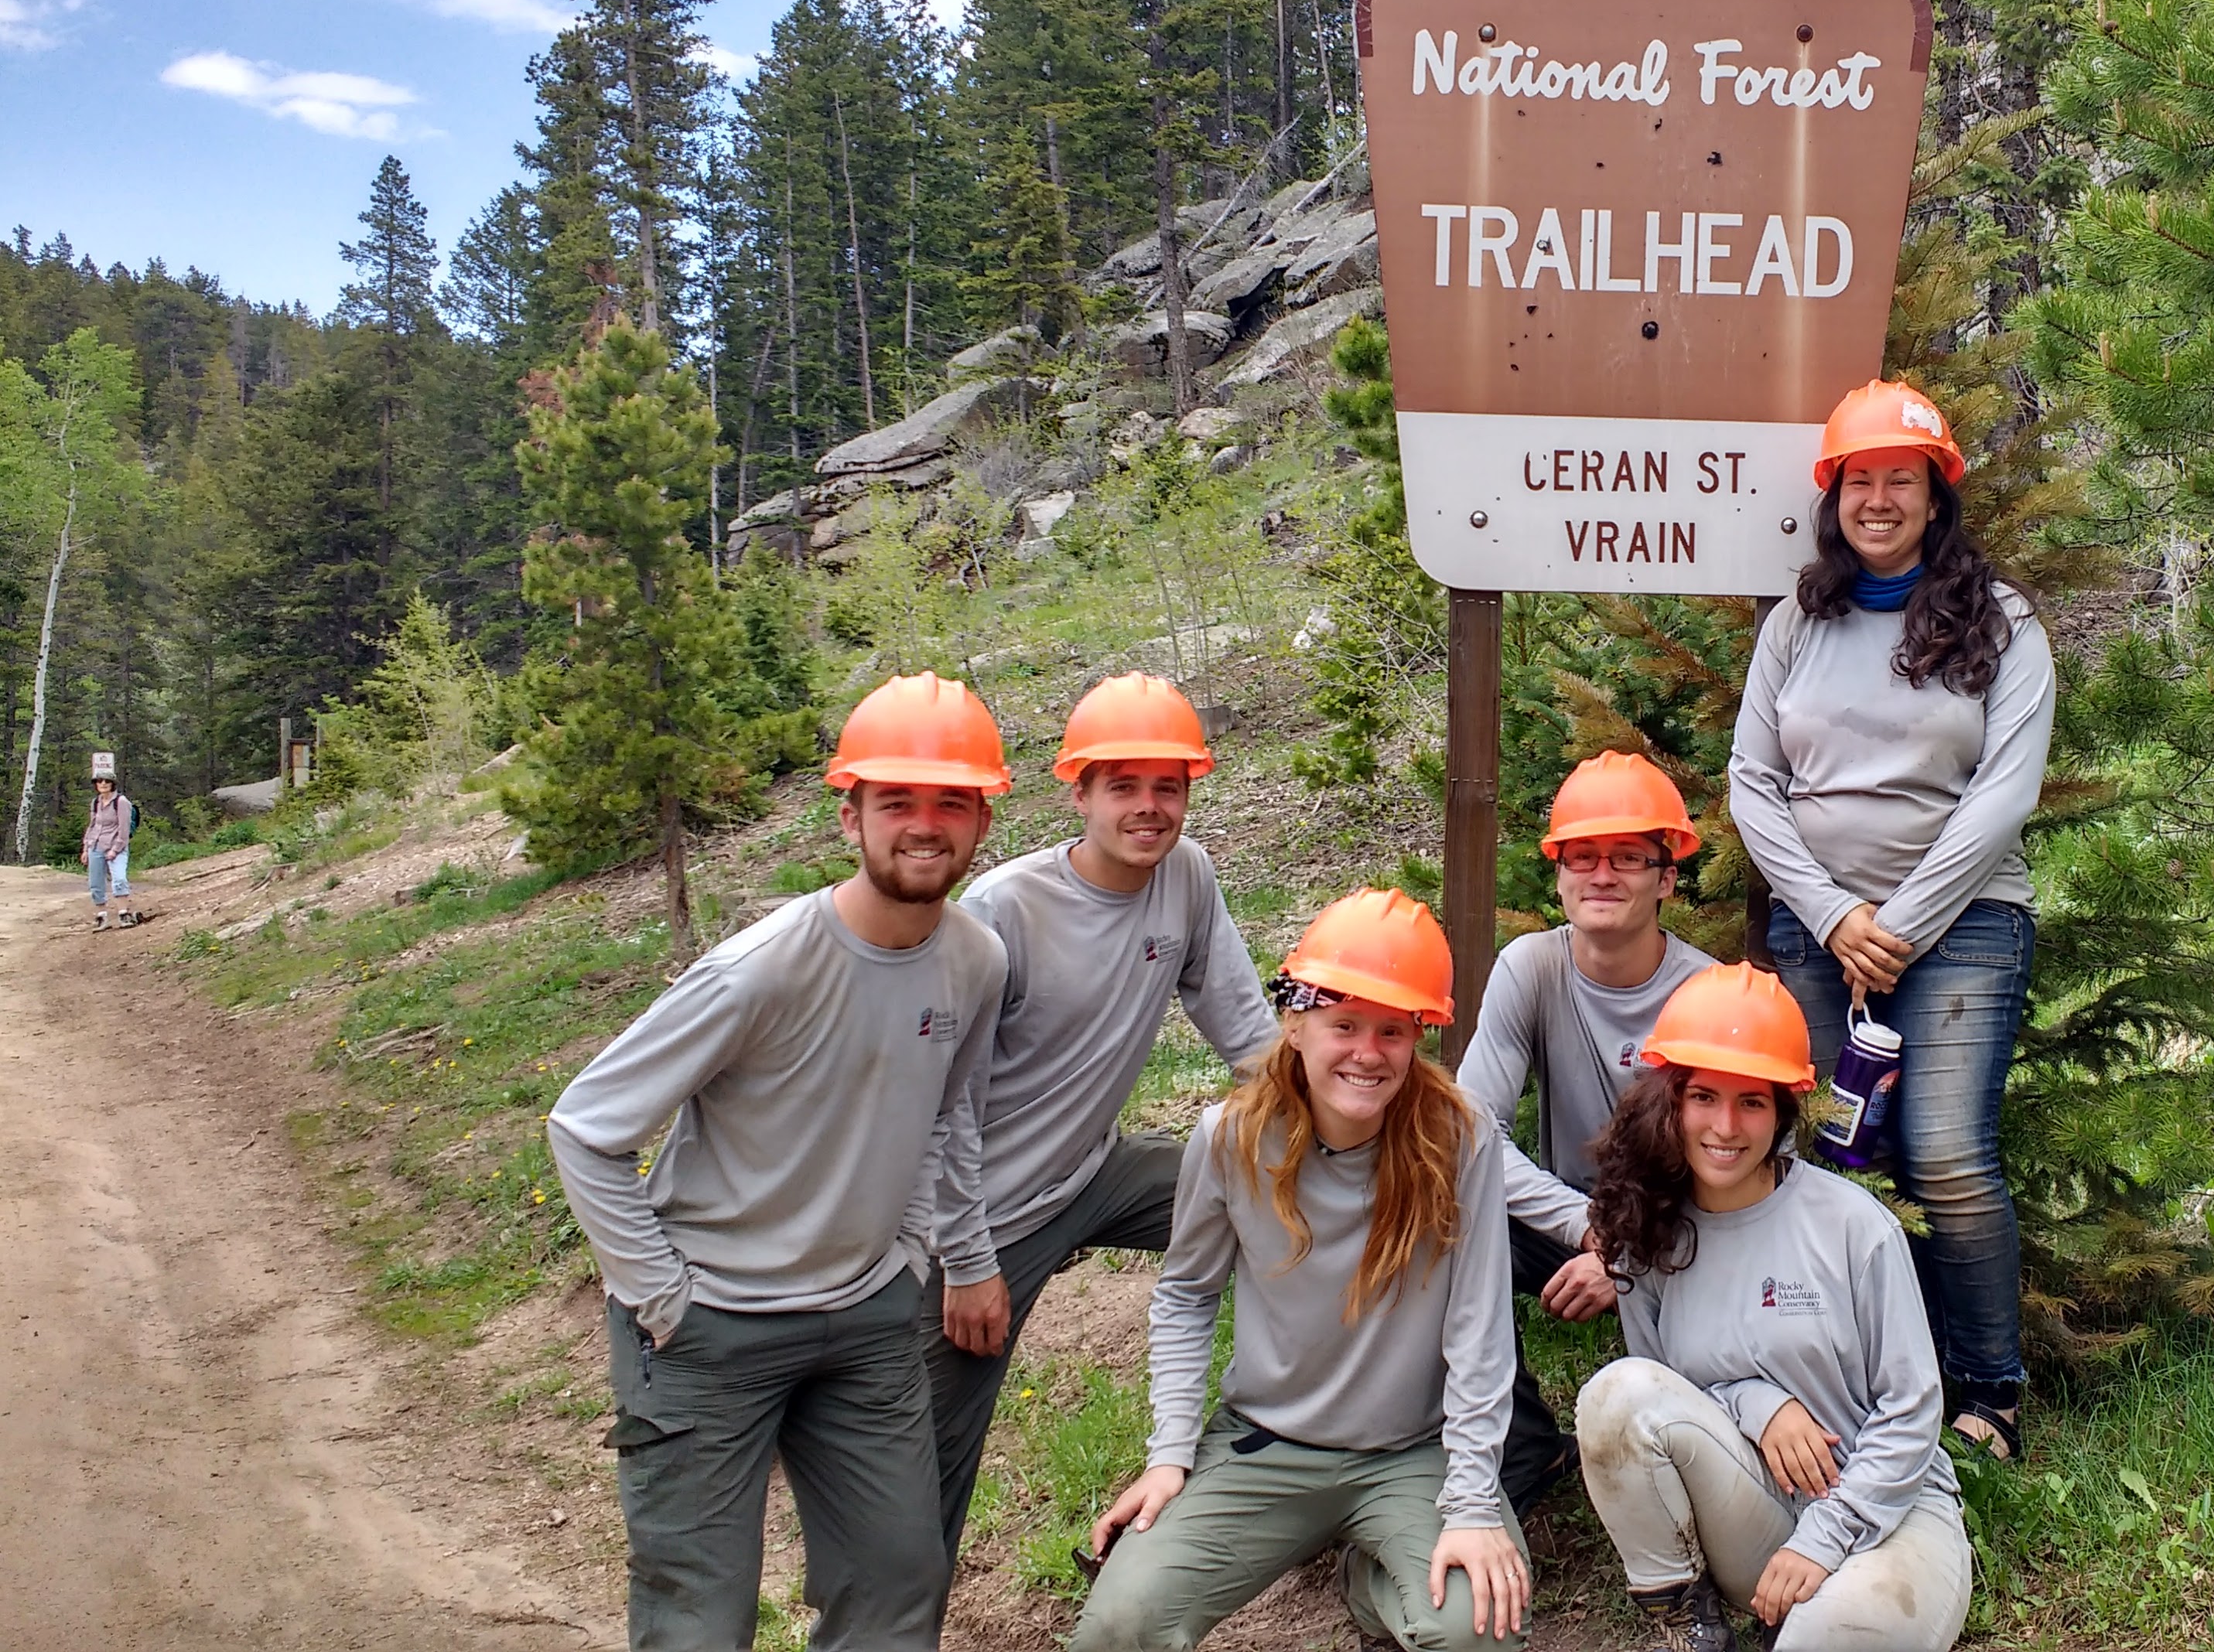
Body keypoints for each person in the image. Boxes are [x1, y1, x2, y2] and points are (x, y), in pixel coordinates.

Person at [545, 674, 1014, 1650]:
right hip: (709, 1328)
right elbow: (586, 1126)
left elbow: (946, 1122)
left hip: (868, 1322)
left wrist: (922, 1256)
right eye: (896, 803)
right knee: (698, 1617)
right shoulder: (761, 968)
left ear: (982, 820)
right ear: (850, 816)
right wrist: (661, 1297)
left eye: (950, 803)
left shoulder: (975, 960)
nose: (924, 826)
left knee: (898, 1582)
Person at [1727, 377, 2054, 1461]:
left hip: (1963, 928)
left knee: (1947, 1157)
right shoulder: (1795, 625)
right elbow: (1751, 784)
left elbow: (2004, 795)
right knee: (1834, 1163)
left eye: (1899, 480)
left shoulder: (2003, 625)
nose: (1878, 499)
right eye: (1858, 481)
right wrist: (1831, 915)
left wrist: (1897, 923)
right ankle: (1871, 1386)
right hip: (1819, 939)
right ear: (1833, 498)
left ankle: (1988, 1394)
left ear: (1934, 494)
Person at [1069, 888, 1529, 1652]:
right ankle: (1353, 1557)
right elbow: (1185, 1296)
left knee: (1475, 1633)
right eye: (1342, 1025)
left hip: (1412, 1452)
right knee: (1122, 1626)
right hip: (1265, 1443)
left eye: (1391, 1031)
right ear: (1295, 1021)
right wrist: (1169, 1454)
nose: (1365, 1052)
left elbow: (1479, 1330)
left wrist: (1475, 1502)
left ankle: (1374, 1583)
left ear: (1420, 1035)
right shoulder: (1230, 1136)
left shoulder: (1460, 1139)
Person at [927, 673, 1277, 1556]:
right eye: (1123, 786)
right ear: (1077, 791)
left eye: (1169, 787)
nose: (1150, 808)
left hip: (1096, 1171)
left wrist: (1345, 1137)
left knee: (1293, 1202)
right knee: (927, 1463)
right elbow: (941, 1106)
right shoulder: (1003, 911)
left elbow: (1247, 1033)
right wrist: (966, 1262)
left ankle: (1309, 1439)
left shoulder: (1184, 877)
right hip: (984, 1217)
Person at [1575, 963, 1971, 1652]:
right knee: (1616, 1396)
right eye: (1703, 1096)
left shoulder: (1852, 1227)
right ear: (1669, 1100)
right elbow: (1663, 1399)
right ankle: (1688, 1627)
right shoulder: (1647, 1235)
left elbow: (1912, 1408)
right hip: (1752, 1515)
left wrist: (1824, 1537)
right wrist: (1756, 1403)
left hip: (1890, 1513)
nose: (1725, 1126)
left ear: (1784, 1110)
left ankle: (1821, 1614)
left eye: (1752, 1102)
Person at [1454, 749, 1720, 1514]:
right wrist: (1591, 1229)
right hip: (1572, 1216)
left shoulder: (1702, 993)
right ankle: (1525, 1449)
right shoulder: (1528, 969)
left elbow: (1738, 1174)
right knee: (1434, 1216)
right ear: (1558, 873)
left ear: (1666, 877)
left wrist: (1629, 1250)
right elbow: (1470, 1135)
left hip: (1685, 1226)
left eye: (1628, 856)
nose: (1601, 874)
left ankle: (1693, 1459)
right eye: (1582, 855)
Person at [84, 771, 135, 930]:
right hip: (96, 845)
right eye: (99, 781)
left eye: (106, 781)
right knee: (96, 883)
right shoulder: (96, 803)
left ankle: (123, 914)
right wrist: (86, 848)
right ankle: (101, 917)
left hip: (115, 847)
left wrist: (115, 849)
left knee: (119, 879)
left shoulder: (121, 802)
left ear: (113, 784)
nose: (103, 784)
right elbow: (92, 825)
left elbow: (124, 828)